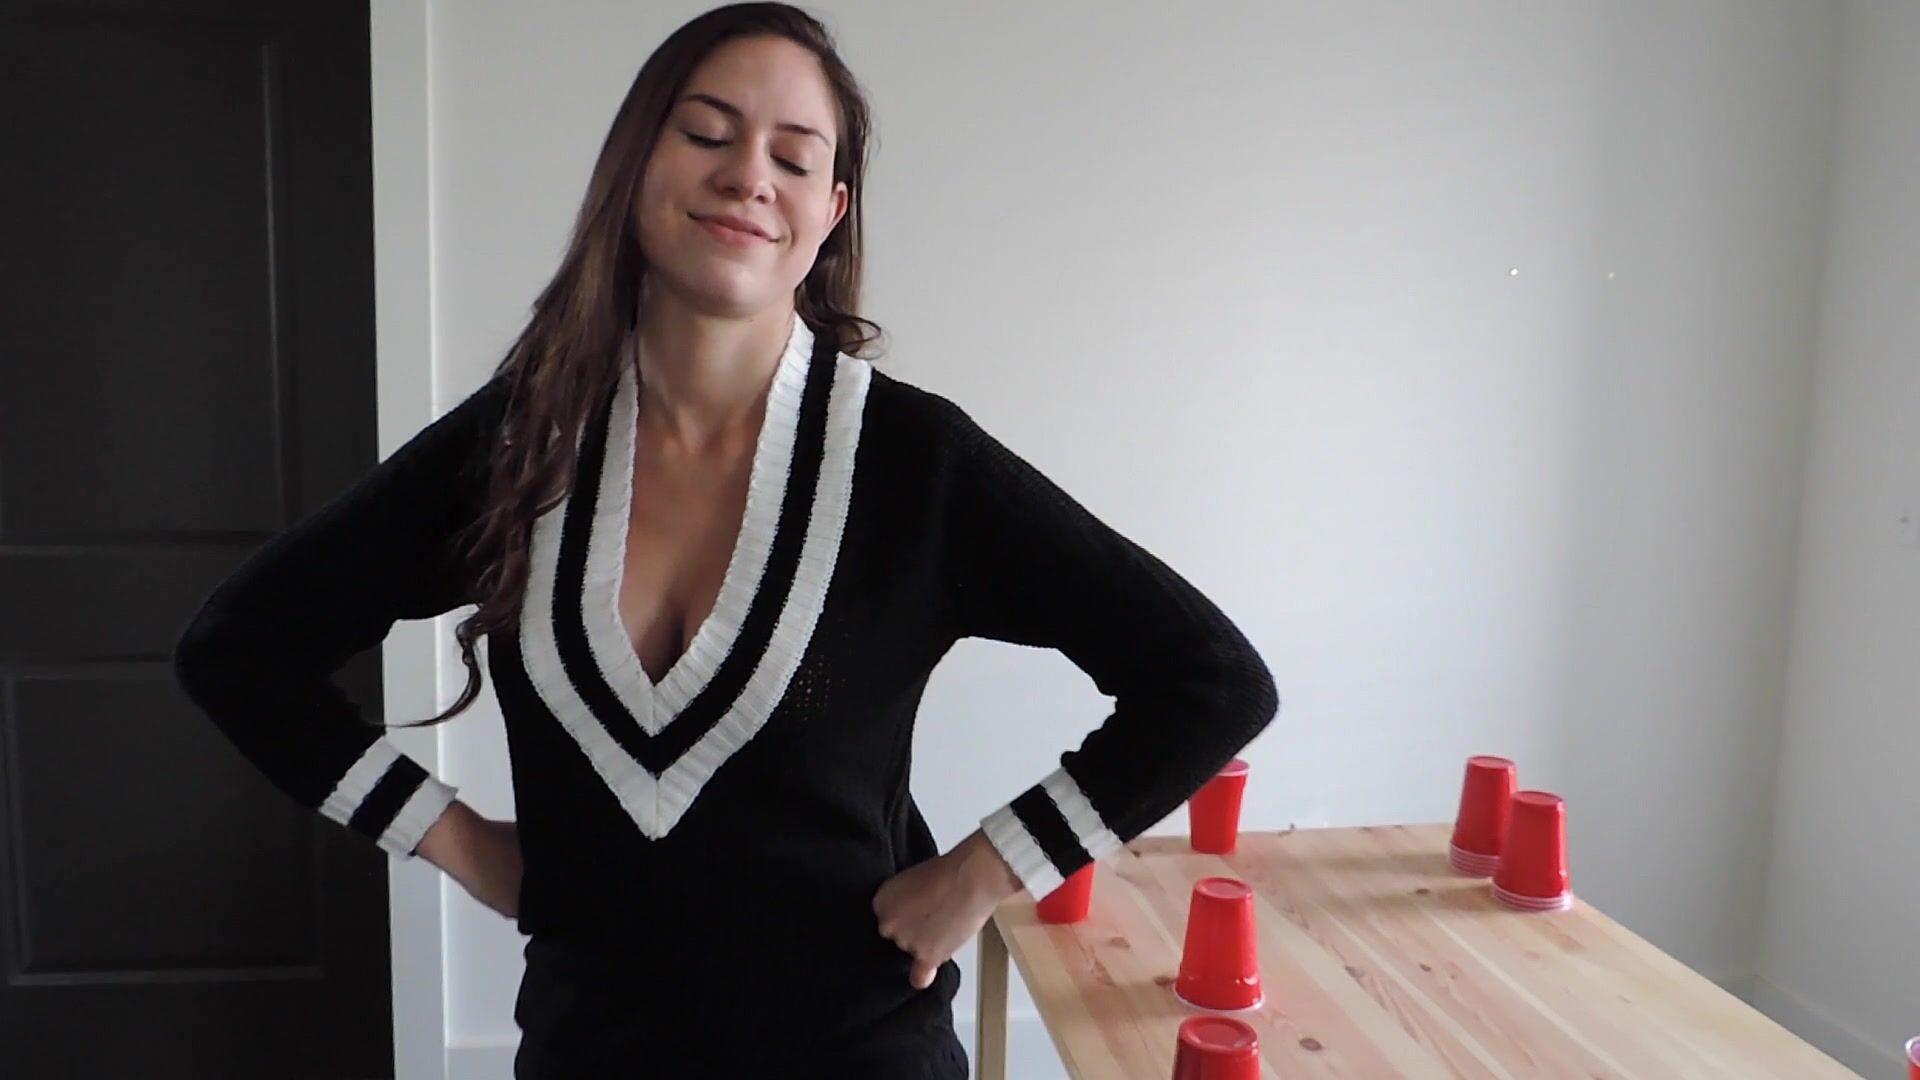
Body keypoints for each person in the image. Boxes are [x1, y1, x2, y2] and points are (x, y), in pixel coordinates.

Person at [171, 4, 1279, 1077]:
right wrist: (456, 841)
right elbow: (239, 649)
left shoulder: (914, 463)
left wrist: (985, 871)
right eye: (707, 133)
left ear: (829, 212)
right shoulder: (518, 443)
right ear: (635, 163)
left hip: (862, 1055)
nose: (750, 175)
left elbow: (1211, 681)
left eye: (793, 158)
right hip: (586, 1053)